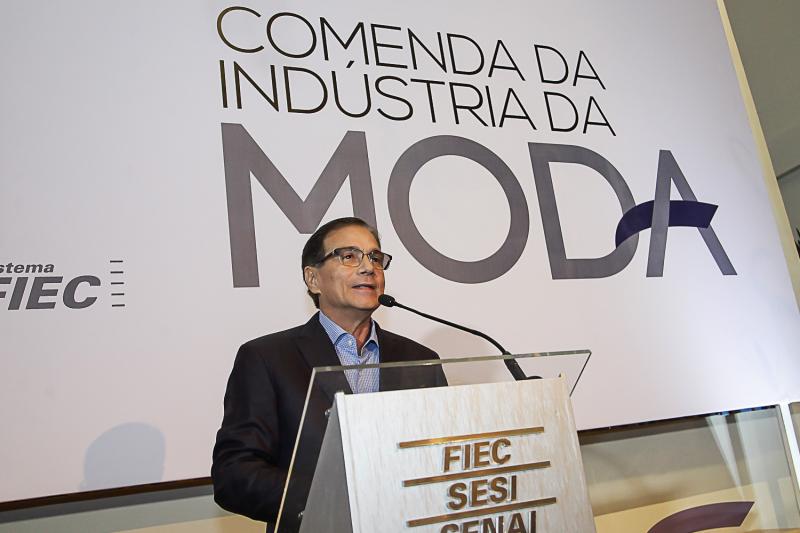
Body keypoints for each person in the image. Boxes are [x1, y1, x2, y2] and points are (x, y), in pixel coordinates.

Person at [211, 217, 446, 531]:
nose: (369, 268)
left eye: (376, 258)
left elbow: (443, 459)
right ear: (313, 279)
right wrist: (335, 499)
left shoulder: (420, 360)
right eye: (349, 256)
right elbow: (234, 474)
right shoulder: (268, 358)